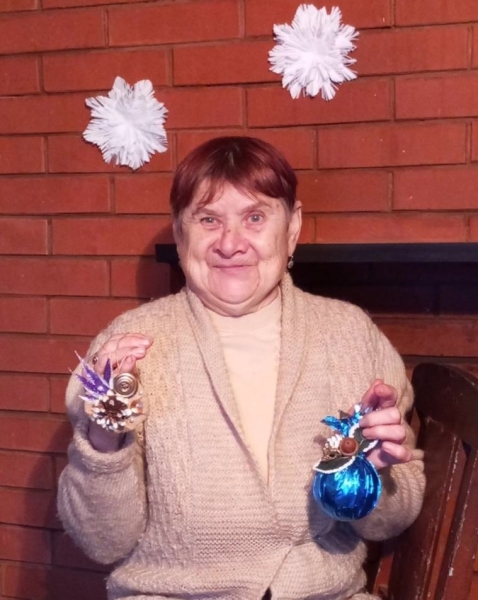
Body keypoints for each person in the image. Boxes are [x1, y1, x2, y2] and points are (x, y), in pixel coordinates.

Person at [58, 136, 425, 600]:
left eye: (254, 217)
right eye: (208, 220)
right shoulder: (126, 351)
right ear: (180, 234)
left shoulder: (350, 335)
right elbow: (101, 542)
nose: (230, 244)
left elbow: (394, 518)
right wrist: (104, 441)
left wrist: (368, 480)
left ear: (292, 228)